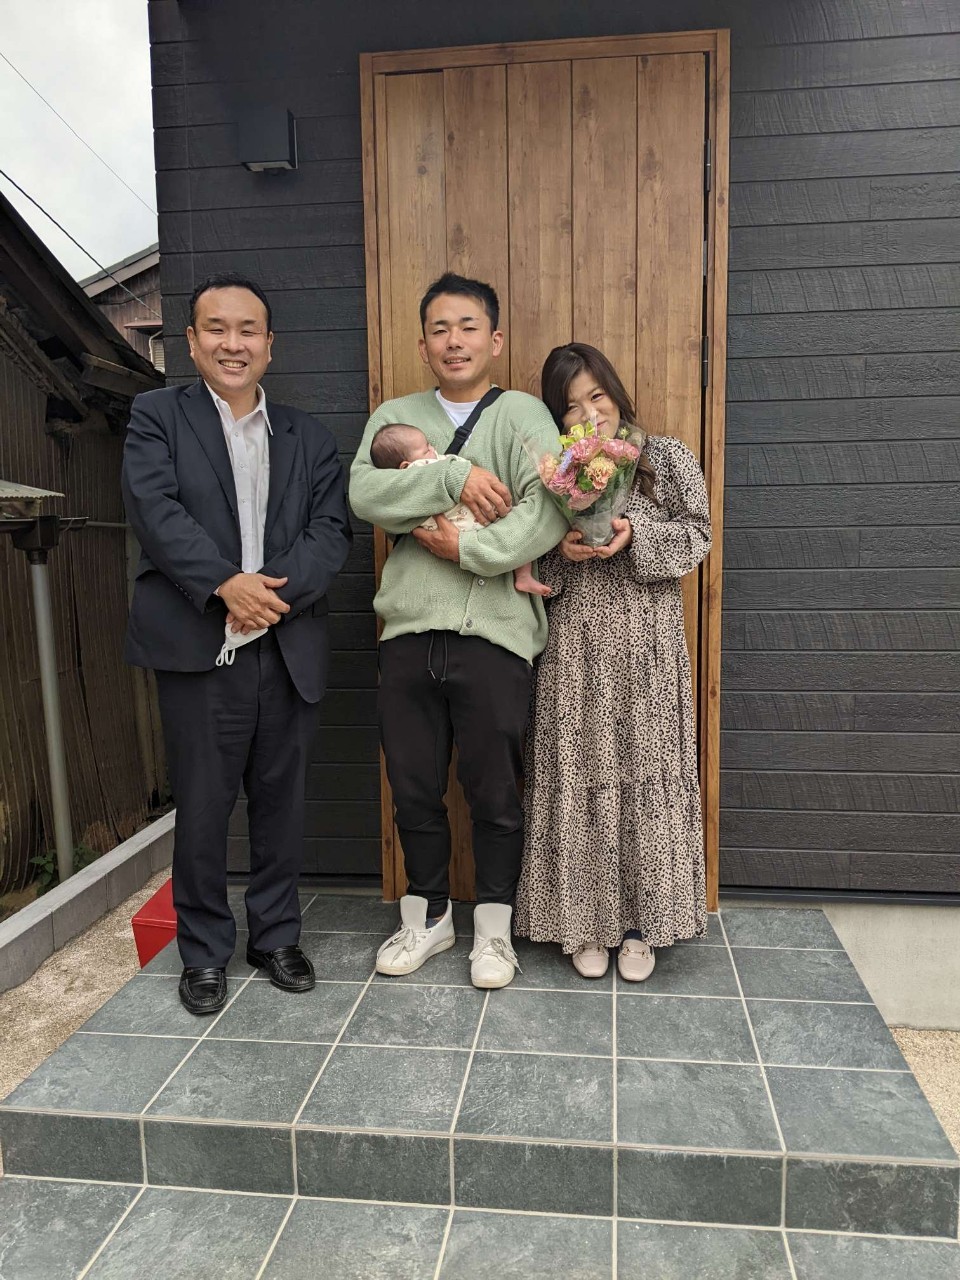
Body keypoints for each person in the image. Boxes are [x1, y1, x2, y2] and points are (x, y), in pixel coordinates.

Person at [122, 273, 352, 1014]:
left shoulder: (308, 436)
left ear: (269, 345)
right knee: (202, 806)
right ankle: (203, 950)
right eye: (216, 328)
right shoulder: (158, 416)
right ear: (191, 342)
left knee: (281, 803)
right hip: (200, 647)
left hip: (285, 644)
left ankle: (275, 936)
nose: (233, 343)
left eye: (247, 330)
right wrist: (226, 583)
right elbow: (154, 511)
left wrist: (267, 597)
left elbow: (331, 531)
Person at [350, 272, 568, 989]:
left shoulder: (524, 415)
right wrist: (455, 480)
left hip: (497, 633)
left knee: (495, 791)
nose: (454, 341)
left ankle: (495, 933)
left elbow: (549, 508)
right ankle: (428, 919)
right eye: (440, 329)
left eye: (468, 327)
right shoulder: (395, 415)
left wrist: (468, 548)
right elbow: (366, 492)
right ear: (423, 344)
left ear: (495, 339)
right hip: (410, 630)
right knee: (413, 787)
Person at [514, 342, 711, 980]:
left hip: (648, 649)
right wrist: (561, 554)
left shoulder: (666, 457)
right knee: (580, 773)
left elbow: (699, 535)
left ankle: (640, 926)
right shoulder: (555, 472)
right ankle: (584, 921)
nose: (589, 414)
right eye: (571, 406)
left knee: (646, 775)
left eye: (596, 396)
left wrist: (636, 535)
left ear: (617, 393)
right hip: (575, 650)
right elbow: (527, 556)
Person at [369, 421, 548, 596]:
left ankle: (522, 576)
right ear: (404, 466)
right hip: (465, 522)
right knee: (515, 530)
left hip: (451, 527)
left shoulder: (405, 483)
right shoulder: (418, 469)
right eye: (426, 450)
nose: (433, 449)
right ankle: (523, 576)